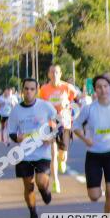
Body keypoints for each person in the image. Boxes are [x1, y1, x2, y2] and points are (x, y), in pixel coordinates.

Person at [74, 75, 110, 213]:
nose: (103, 89)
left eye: (105, 86)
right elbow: (75, 126)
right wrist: (85, 139)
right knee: (94, 196)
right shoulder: (88, 109)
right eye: (99, 87)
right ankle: (97, 184)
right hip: (93, 155)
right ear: (95, 90)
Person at [7, 78, 57, 218]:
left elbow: (58, 122)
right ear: (22, 90)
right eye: (26, 89)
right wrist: (17, 137)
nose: (28, 92)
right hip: (24, 154)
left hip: (42, 152)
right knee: (28, 186)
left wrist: (52, 135)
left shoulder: (45, 106)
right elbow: (11, 132)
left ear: (37, 90)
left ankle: (44, 190)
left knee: (41, 181)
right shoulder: (16, 110)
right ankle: (33, 215)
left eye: (31, 89)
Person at [38, 65, 79, 193]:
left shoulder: (67, 87)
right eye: (52, 72)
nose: (54, 74)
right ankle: (56, 181)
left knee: (62, 156)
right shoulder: (44, 89)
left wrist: (68, 104)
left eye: (56, 72)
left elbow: (77, 100)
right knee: (53, 154)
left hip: (64, 124)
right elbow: (40, 105)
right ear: (49, 74)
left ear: (60, 74)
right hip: (51, 124)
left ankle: (63, 160)